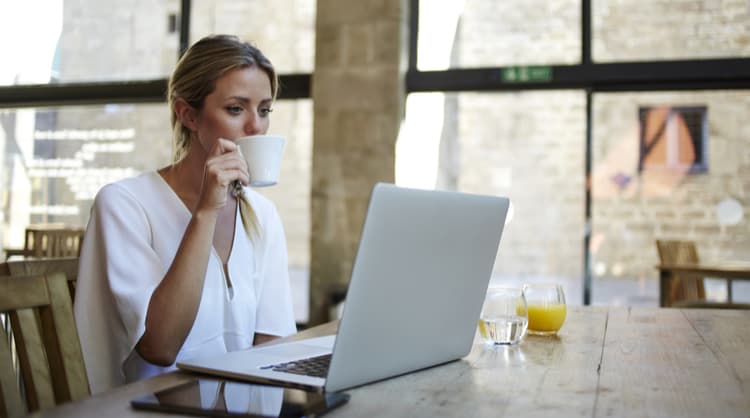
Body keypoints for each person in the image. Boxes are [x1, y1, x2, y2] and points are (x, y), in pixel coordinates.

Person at [74, 34, 296, 394]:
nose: (256, 126)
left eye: (265, 110)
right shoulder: (123, 204)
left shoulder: (263, 214)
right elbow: (159, 348)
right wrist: (206, 212)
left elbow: (273, 344)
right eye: (236, 109)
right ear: (188, 114)